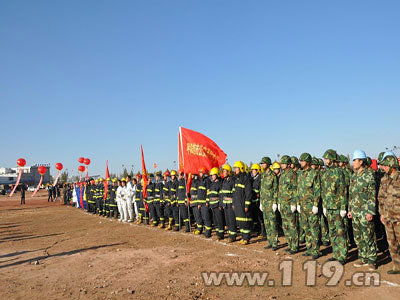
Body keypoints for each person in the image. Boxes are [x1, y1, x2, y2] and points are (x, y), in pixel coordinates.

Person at [348, 150, 377, 270]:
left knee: (368, 235)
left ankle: (372, 260)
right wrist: (350, 209)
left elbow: (372, 194)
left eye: (355, 160)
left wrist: (370, 211)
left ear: (361, 161)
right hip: (355, 211)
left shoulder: (369, 175)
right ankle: (363, 257)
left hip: (365, 212)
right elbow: (351, 195)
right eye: (353, 160)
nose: (353, 162)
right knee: (358, 237)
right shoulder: (354, 176)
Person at [321, 149, 347, 265]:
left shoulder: (338, 172)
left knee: (340, 231)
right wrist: (324, 206)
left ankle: (343, 255)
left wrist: (343, 207)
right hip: (329, 207)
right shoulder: (325, 173)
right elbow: (323, 191)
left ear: (332, 159)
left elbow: (343, 190)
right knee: (332, 232)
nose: (325, 161)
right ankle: (336, 254)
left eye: (327, 158)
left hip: (337, 207)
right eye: (325, 159)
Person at [378, 154, 400, 274]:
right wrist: (382, 213)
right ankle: (397, 266)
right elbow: (380, 197)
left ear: (392, 165)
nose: (383, 167)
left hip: (399, 217)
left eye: (386, 165)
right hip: (388, 217)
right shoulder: (384, 179)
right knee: (392, 243)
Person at [298, 153, 321, 259]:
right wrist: (298, 203)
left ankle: (315, 250)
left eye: (302, 161)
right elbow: (298, 190)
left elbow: (317, 190)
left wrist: (316, 204)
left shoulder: (314, 173)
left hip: (311, 206)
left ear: (307, 162)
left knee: (314, 228)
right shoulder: (300, 173)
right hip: (303, 206)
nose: (301, 162)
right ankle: (309, 248)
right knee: (306, 228)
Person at [278, 155, 299, 254]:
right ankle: (289, 244)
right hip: (283, 204)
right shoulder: (282, 175)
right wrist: (278, 202)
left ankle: (294, 246)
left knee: (292, 225)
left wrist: (294, 203)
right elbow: (280, 190)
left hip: (290, 203)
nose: (282, 165)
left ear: (288, 164)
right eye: (281, 163)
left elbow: (295, 190)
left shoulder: (293, 174)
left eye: (283, 163)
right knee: (285, 225)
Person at [260, 157, 279, 250]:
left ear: (268, 164)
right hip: (264, 203)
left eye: (264, 163)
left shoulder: (273, 175)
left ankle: (275, 243)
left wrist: (275, 203)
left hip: (271, 203)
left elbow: (276, 190)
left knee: (273, 223)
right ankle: (270, 242)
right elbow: (261, 190)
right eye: (262, 164)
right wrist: (261, 202)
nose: (262, 165)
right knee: (267, 223)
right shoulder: (263, 175)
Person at [232, 161, 252, 245]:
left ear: (241, 168)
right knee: (240, 221)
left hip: (243, 204)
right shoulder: (236, 179)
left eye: (237, 168)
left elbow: (248, 193)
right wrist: (233, 203)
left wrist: (247, 205)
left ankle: (246, 238)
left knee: (245, 221)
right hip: (237, 204)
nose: (235, 170)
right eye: (235, 168)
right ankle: (243, 237)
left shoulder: (245, 178)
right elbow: (234, 192)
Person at [220, 164, 236, 242]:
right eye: (223, 171)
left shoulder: (232, 181)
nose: (223, 172)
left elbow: (234, 194)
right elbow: (222, 193)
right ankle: (230, 235)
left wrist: (233, 204)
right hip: (225, 205)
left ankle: (233, 236)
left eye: (225, 171)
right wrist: (222, 204)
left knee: (231, 220)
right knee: (227, 221)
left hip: (230, 204)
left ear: (229, 172)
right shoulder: (224, 181)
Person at [250, 163, 266, 237]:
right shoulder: (251, 179)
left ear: (258, 171)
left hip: (259, 200)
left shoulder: (260, 178)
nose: (253, 171)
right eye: (252, 170)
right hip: (253, 200)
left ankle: (263, 232)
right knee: (255, 216)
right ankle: (257, 230)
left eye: (254, 170)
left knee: (260, 216)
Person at [208, 167, 223, 239]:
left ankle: (221, 234)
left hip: (217, 205)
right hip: (212, 205)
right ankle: (217, 233)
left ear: (217, 175)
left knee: (219, 220)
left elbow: (221, 195)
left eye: (213, 175)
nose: (212, 176)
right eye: (211, 175)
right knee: (215, 220)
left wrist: (220, 204)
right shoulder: (212, 184)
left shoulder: (219, 183)